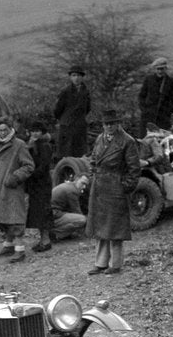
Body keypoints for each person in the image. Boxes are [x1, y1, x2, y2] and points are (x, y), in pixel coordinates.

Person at [86, 109, 140, 275]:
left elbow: (134, 169)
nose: (109, 127)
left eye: (112, 124)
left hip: (116, 187)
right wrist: (93, 174)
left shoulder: (127, 141)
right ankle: (100, 263)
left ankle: (115, 264)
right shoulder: (99, 139)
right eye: (106, 124)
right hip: (100, 188)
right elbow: (94, 160)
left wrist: (125, 187)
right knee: (100, 227)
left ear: (118, 124)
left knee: (115, 229)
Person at [0, 116, 34, 264]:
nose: (1, 133)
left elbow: (29, 166)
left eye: (5, 130)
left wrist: (15, 177)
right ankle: (8, 245)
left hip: (12, 188)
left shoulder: (19, 145)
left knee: (14, 218)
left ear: (11, 129)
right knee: (2, 218)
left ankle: (20, 250)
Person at [24, 119, 54, 252]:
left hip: (42, 182)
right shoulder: (30, 145)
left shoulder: (45, 145)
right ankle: (43, 238)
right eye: (33, 131)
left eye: (38, 131)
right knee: (37, 211)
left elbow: (44, 166)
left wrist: (31, 173)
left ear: (42, 132)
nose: (35, 133)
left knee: (43, 210)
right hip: (35, 184)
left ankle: (46, 240)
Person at [53, 65, 91, 159]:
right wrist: (65, 119)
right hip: (67, 127)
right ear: (70, 77)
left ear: (82, 77)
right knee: (66, 154)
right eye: (74, 75)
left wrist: (80, 119)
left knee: (80, 154)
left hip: (80, 126)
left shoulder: (86, 92)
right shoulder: (65, 91)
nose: (76, 78)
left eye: (79, 75)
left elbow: (87, 108)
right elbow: (57, 110)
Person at [137, 57, 173, 137]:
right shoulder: (148, 79)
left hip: (163, 118)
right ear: (155, 69)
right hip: (148, 117)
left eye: (162, 69)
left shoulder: (171, 81)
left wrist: (168, 111)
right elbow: (142, 96)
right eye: (158, 69)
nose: (160, 71)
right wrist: (144, 109)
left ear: (165, 69)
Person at [50, 174, 88, 241]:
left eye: (85, 185)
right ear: (76, 180)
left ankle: (55, 232)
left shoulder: (69, 186)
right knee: (82, 220)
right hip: (53, 215)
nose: (84, 187)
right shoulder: (72, 191)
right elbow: (77, 211)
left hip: (52, 214)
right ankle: (56, 233)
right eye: (82, 183)